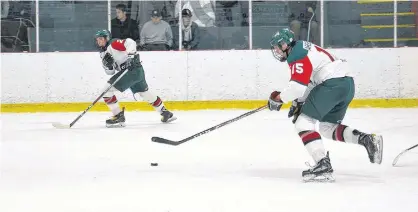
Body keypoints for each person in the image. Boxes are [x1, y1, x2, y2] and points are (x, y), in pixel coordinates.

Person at [267, 28, 383, 182]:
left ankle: (323, 165)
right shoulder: (302, 47)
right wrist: (299, 101)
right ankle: (368, 140)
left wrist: (279, 99)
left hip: (332, 84)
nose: (276, 50)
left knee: (303, 123)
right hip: (346, 84)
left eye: (278, 46)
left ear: (286, 44)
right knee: (327, 128)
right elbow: (309, 82)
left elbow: (297, 87)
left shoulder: (296, 54)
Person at [94, 29, 176, 127]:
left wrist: (130, 57)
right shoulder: (103, 54)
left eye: (101, 39)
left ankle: (118, 116)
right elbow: (110, 72)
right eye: (97, 39)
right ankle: (165, 113)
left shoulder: (113, 43)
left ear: (107, 38)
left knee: (106, 91)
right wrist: (109, 66)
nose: (98, 41)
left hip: (131, 70)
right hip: (135, 71)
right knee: (145, 93)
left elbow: (130, 42)